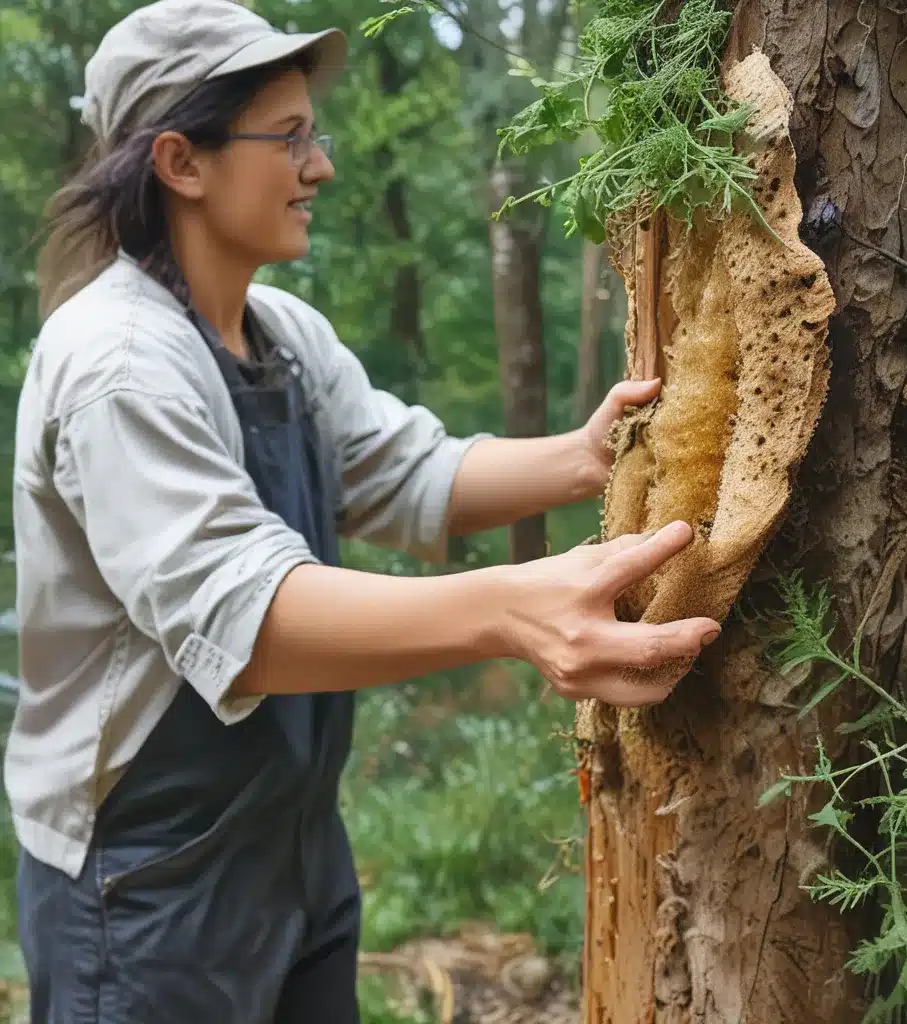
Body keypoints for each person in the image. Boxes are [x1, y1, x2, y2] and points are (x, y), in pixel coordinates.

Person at [5, 1, 722, 1021]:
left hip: (290, 845)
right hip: (146, 881)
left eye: (316, 134)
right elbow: (243, 621)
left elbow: (405, 470)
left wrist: (585, 456)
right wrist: (510, 612)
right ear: (181, 161)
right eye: (288, 137)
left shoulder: (280, 332)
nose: (321, 167)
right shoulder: (119, 363)